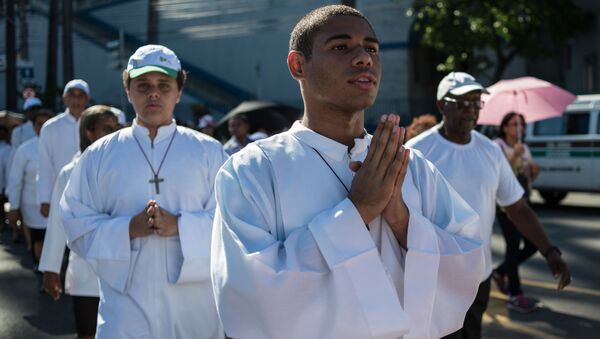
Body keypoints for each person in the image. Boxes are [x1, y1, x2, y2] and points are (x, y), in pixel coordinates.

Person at [211, 6, 484, 339]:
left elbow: (469, 257)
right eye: (341, 47)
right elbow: (248, 295)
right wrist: (356, 212)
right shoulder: (252, 171)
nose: (364, 58)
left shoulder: (410, 165)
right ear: (298, 65)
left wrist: (402, 220)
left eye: (371, 48)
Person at [60, 44, 227, 338]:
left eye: (164, 85)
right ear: (128, 90)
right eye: (143, 85)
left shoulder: (209, 152)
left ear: (178, 92)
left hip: (194, 307)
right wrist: (128, 228)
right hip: (126, 307)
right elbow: (75, 222)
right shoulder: (99, 155)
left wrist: (181, 226)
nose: (154, 93)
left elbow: (232, 222)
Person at [406, 72, 571, 339]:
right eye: (461, 103)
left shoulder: (490, 152)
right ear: (441, 105)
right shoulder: (417, 152)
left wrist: (549, 250)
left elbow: (516, 208)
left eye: (475, 102)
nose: (470, 110)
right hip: (435, 278)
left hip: (478, 277)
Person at [39, 105, 119, 339]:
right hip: (86, 273)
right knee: (87, 334)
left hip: (125, 271)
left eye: (116, 128)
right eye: (107, 129)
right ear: (89, 132)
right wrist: (51, 269)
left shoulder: (127, 167)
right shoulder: (69, 172)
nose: (114, 134)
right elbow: (57, 223)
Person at [491, 112, 540, 313]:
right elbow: (498, 175)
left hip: (522, 203)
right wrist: (514, 156)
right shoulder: (497, 146)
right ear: (504, 127)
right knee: (513, 246)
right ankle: (515, 293)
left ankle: (501, 271)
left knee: (533, 244)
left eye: (522, 125)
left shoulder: (524, 147)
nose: (519, 129)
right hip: (504, 206)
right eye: (514, 124)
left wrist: (533, 170)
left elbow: (529, 179)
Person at [7, 110, 54, 269]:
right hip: (32, 205)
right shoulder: (25, 149)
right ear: (33, 127)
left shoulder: (63, 147)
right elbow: (15, 180)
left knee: (56, 241)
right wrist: (13, 207)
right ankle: (40, 270)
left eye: (47, 123)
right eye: (39, 124)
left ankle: (55, 273)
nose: (43, 127)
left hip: (58, 204)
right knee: (38, 239)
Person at [37, 79, 91, 219]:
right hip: (60, 194)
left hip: (91, 195)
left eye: (80, 95)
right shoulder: (50, 127)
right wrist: (44, 199)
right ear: (64, 98)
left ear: (87, 98)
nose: (76, 100)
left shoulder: (95, 125)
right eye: (72, 95)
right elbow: (44, 166)